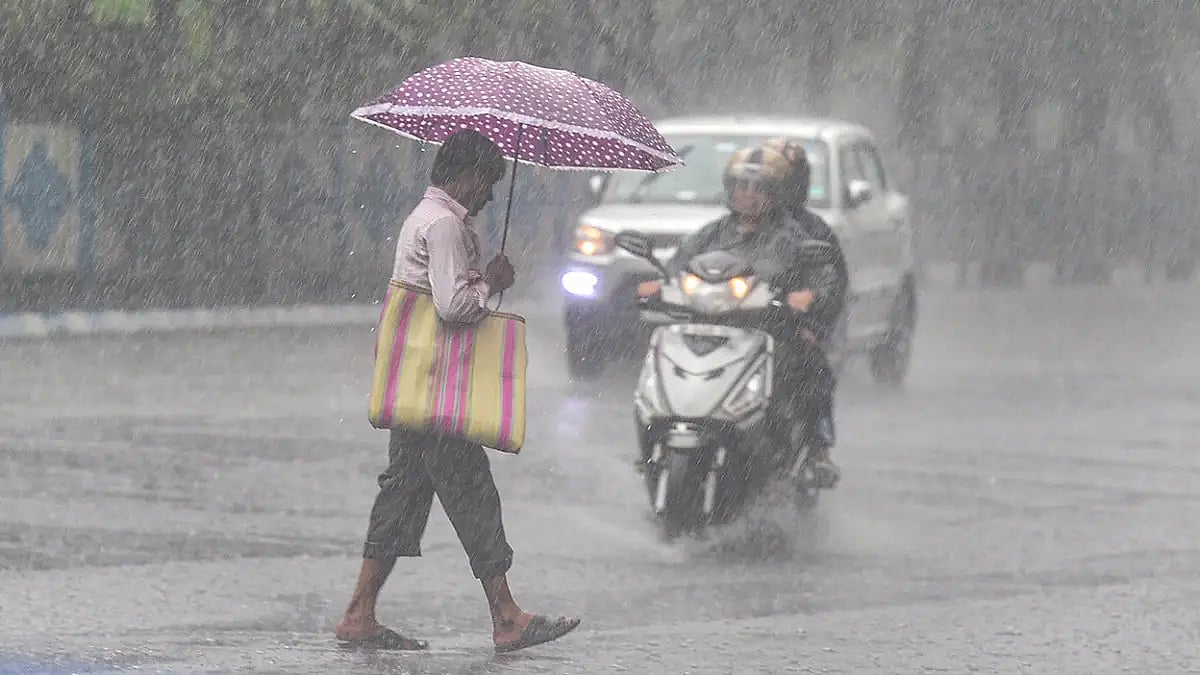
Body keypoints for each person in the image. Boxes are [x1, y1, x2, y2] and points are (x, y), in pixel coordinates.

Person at [335, 129, 580, 652]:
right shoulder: (444, 225)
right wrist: (490, 282)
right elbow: (454, 308)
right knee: (471, 493)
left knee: (402, 495)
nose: (491, 194)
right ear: (465, 177)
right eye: (488, 182)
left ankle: (359, 613)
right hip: (438, 391)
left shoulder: (423, 218)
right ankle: (507, 616)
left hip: (416, 390)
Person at [636, 144, 846, 487]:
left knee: (811, 369)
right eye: (741, 186)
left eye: (758, 187)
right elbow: (678, 265)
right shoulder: (712, 232)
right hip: (706, 327)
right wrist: (660, 285)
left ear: (775, 193)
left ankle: (814, 451)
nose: (748, 195)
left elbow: (825, 279)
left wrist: (809, 297)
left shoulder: (792, 238)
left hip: (768, 330)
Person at [763, 137, 850, 486]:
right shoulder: (726, 227)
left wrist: (810, 317)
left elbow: (833, 284)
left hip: (790, 329)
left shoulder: (813, 232)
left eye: (787, 177)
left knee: (813, 374)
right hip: (736, 326)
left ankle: (818, 449)